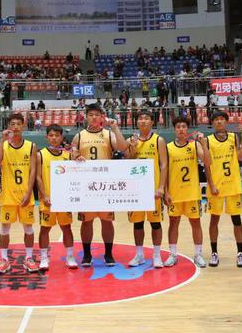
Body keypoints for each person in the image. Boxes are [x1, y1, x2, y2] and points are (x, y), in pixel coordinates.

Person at [70, 103, 128, 267]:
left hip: (105, 185)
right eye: (91, 114)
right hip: (86, 186)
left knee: (106, 221)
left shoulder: (108, 134)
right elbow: (72, 154)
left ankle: (108, 254)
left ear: (102, 117)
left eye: (97, 114)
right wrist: (76, 156)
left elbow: (123, 148)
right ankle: (87, 254)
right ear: (86, 117)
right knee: (86, 222)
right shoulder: (79, 136)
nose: (94, 117)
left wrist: (115, 127)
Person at [164, 116, 212, 267]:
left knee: (196, 223)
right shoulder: (168, 147)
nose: (181, 129)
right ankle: (173, 254)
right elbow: (164, 172)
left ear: (187, 129)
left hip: (192, 193)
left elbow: (208, 161)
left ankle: (198, 254)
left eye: (184, 127)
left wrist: (203, 143)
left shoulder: (194, 145)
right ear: (174, 130)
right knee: (173, 223)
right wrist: (166, 192)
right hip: (174, 194)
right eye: (178, 127)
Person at [0, 113, 38, 274]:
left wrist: (29, 192)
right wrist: (1, 140)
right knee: (5, 228)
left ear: (23, 126)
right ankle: (4, 260)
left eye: (19, 124)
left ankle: (29, 258)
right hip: (8, 195)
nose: (16, 127)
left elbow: (33, 171)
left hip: (25, 194)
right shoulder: (3, 145)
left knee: (28, 228)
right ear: (9, 127)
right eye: (13, 124)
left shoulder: (31, 146)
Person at [125, 111, 168, 268]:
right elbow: (128, 161)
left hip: (153, 190)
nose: (143, 121)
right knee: (137, 223)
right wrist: (133, 148)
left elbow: (164, 164)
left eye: (146, 118)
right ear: (136, 122)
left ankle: (156, 255)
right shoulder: (130, 140)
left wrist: (161, 187)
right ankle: (139, 255)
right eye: (140, 118)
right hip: (136, 189)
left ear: (152, 122)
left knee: (155, 223)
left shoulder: (158, 140)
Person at [206, 111, 242, 267]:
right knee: (214, 219)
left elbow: (240, 157)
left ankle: (240, 253)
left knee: (236, 220)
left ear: (226, 122)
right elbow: (207, 165)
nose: (219, 122)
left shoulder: (233, 137)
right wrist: (211, 185)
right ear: (212, 123)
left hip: (232, 185)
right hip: (216, 186)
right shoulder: (208, 140)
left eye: (222, 119)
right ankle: (214, 253)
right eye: (216, 120)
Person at [36, 124, 77, 270]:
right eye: (51, 135)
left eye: (57, 135)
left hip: (64, 200)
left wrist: (78, 157)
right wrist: (44, 195)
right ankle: (44, 258)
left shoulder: (68, 155)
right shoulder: (40, 154)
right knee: (45, 229)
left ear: (61, 137)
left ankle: (70, 256)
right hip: (47, 200)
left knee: (66, 227)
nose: (54, 138)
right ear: (47, 137)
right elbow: (38, 177)